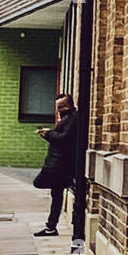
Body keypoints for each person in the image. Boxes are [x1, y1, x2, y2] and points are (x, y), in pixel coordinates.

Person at [32, 93, 78, 237]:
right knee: (56, 195)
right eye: (58, 107)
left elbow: (64, 139)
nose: (59, 110)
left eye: (61, 106)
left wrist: (48, 134)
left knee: (39, 183)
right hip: (58, 163)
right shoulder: (67, 118)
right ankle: (51, 227)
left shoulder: (72, 119)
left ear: (68, 105)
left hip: (60, 165)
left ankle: (53, 227)